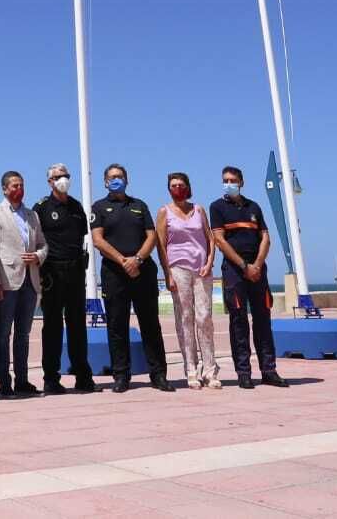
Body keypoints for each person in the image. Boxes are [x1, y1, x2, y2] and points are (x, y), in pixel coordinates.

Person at [90, 165, 173, 393]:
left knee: (150, 325)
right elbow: (98, 240)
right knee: (117, 326)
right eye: (112, 177)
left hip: (143, 273)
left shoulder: (139, 205)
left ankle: (158, 375)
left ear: (127, 180)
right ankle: (121, 376)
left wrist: (136, 259)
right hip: (114, 275)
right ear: (105, 181)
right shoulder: (99, 207)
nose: (116, 180)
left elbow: (152, 236)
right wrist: (123, 261)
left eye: (120, 177)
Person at [210, 167, 287, 388]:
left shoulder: (254, 207)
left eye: (233, 180)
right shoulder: (217, 207)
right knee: (239, 321)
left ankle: (269, 369)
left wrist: (257, 265)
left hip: (258, 270)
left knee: (263, 319)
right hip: (235, 271)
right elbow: (220, 240)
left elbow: (265, 237)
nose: (229, 183)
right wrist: (244, 266)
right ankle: (243, 372)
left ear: (242, 182)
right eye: (225, 180)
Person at [34, 163, 96, 394]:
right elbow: (35, 240)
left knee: (78, 325)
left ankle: (83, 376)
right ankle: (51, 378)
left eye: (66, 176)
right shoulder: (40, 208)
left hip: (76, 272)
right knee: (52, 327)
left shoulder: (77, 206)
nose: (63, 179)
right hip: (52, 272)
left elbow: (81, 237)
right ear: (49, 182)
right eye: (58, 177)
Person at [156, 172, 221, 389]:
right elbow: (161, 245)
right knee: (185, 319)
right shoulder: (164, 212)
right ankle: (191, 369)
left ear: (188, 186)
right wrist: (167, 274)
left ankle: (210, 369)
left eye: (181, 185)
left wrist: (209, 262)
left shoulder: (199, 210)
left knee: (204, 318)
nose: (177, 188)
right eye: (173, 185)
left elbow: (210, 239)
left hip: (201, 269)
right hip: (178, 269)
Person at [0, 171, 45, 396]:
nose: (18, 189)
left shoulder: (32, 216)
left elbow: (43, 244)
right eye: (13, 186)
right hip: (7, 283)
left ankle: (22, 380)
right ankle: (4, 382)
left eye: (21, 185)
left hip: (30, 282)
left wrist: (39, 256)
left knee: (23, 334)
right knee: (2, 334)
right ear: (4, 189)